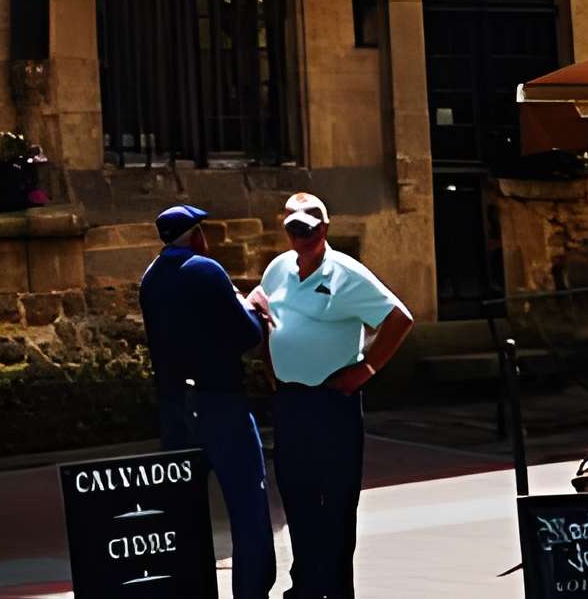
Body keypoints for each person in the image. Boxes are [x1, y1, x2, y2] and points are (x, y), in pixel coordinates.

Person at [249, 191, 414, 599]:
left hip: (331, 403)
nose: (302, 237)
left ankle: (337, 590)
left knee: (336, 502)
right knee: (297, 496)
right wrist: (271, 362)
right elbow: (265, 311)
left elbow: (399, 318)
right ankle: (306, 586)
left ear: (324, 228)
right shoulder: (279, 267)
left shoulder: (345, 273)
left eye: (310, 229)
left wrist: (366, 369)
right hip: (291, 402)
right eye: (294, 229)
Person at [136, 202, 275, 599]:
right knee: (248, 505)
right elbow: (248, 334)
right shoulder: (207, 270)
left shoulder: (150, 279)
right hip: (221, 402)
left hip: (175, 408)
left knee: (184, 511)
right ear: (196, 236)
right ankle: (251, 591)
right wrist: (251, 306)